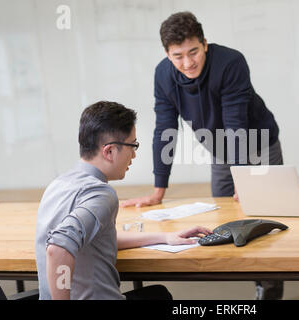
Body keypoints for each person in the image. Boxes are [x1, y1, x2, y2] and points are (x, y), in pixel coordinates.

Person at [121, 12, 283, 299]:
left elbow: (236, 125)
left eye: (193, 52)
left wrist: (242, 179)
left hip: (257, 144)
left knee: (260, 218)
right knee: (225, 218)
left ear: (205, 44)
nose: (187, 62)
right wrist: (159, 190)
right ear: (167, 54)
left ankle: (268, 289)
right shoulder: (163, 75)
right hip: (219, 149)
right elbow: (165, 129)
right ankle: (248, 274)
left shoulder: (231, 62)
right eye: (178, 55)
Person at [35, 101, 212, 300]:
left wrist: (165, 237)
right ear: (109, 151)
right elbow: (59, 247)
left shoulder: (57, 185)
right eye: (132, 145)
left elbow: (92, 238)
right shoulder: (101, 194)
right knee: (160, 295)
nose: (134, 154)